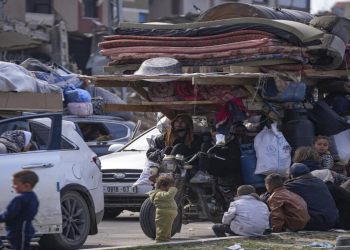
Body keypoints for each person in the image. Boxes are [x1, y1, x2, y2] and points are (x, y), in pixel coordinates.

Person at [146, 114, 206, 182]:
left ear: (188, 124)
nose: (179, 124)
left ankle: (169, 174)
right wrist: (161, 153)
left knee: (179, 147)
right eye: (177, 121)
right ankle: (166, 173)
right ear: (173, 123)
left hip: (187, 165)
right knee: (168, 148)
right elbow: (150, 154)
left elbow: (199, 156)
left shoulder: (195, 139)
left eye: (182, 122)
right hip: (165, 166)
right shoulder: (163, 138)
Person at [284, 163, 338, 231]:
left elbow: (274, 193)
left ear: (292, 176)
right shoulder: (320, 181)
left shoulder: (293, 185)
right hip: (332, 222)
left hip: (315, 223)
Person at [0, 170, 39, 250]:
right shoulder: (33, 197)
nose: (12, 186)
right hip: (24, 229)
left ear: (26, 186)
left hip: (19, 231)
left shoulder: (19, 199)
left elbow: (8, 214)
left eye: (15, 184)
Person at [148, 176, 178, 243]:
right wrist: (173, 189)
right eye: (169, 187)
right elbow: (169, 195)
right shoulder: (157, 194)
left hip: (169, 213)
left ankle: (166, 240)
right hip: (163, 213)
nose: (170, 189)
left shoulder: (163, 193)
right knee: (163, 228)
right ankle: (160, 241)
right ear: (162, 186)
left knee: (167, 228)